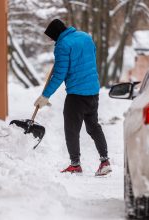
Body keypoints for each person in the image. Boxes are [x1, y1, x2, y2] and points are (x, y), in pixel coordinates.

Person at [34, 19, 112, 176]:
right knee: (93, 126)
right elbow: (89, 59)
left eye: (51, 37)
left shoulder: (62, 46)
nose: (51, 40)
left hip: (76, 94)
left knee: (71, 129)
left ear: (56, 34)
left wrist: (45, 95)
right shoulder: (86, 37)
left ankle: (75, 164)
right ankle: (105, 161)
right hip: (93, 91)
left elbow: (59, 75)